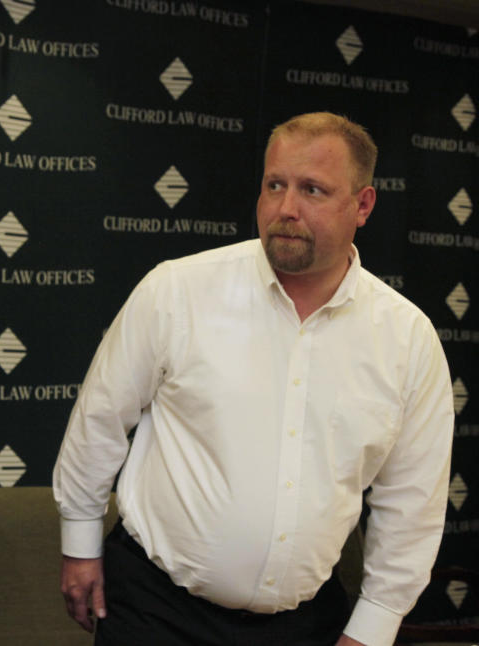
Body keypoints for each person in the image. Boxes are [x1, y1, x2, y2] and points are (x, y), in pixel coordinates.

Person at [53, 112, 453, 646]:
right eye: (274, 185)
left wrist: (375, 625)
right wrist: (79, 543)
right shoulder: (179, 290)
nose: (286, 208)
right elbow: (99, 420)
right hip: (155, 608)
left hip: (304, 623)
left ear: (363, 205)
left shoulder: (407, 339)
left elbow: (412, 500)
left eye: (312, 189)